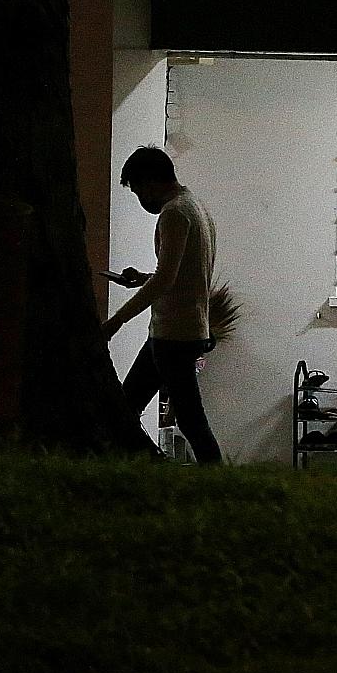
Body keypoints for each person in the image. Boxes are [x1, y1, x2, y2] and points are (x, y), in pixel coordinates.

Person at [102, 146, 222, 464]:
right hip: (181, 330)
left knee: (189, 419)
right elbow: (183, 272)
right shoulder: (195, 207)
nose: (142, 199)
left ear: (152, 182)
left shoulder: (173, 214)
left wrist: (117, 321)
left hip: (173, 336)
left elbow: (166, 280)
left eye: (139, 190)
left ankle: (218, 477)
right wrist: (142, 277)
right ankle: (144, 465)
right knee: (129, 406)